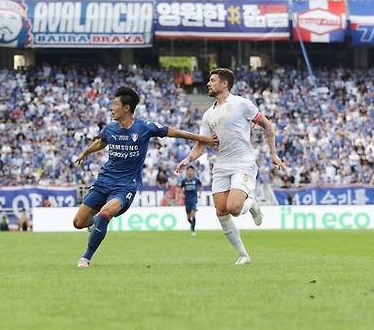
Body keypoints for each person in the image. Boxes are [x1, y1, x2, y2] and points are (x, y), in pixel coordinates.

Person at [72, 86, 218, 268]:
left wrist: (203, 139)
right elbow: (101, 142)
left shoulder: (145, 127)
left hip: (125, 186)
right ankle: (93, 225)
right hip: (103, 181)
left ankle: (85, 258)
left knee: (104, 214)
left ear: (126, 108)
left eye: (115, 104)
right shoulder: (110, 128)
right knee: (78, 223)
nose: (111, 108)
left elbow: (175, 132)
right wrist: (85, 152)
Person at [176, 68, 284, 265]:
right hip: (222, 164)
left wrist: (273, 153)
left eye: (212, 80)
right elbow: (202, 143)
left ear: (224, 84)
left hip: (243, 162)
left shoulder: (241, 104)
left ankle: (252, 204)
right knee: (221, 211)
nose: (208, 83)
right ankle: (243, 255)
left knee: (234, 208)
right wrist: (188, 159)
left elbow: (267, 125)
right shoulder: (209, 114)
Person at [179, 165, 201, 236]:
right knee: (188, 218)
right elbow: (180, 188)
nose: (190, 172)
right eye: (188, 170)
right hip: (187, 200)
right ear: (186, 172)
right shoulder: (184, 181)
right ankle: (192, 225)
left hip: (194, 199)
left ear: (193, 172)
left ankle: (193, 230)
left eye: (191, 170)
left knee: (193, 214)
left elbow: (200, 185)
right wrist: (182, 193)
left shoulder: (196, 180)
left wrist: (200, 193)